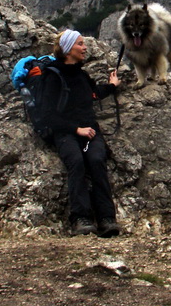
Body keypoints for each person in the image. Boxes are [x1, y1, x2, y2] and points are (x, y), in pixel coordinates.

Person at [43, 29, 122, 237]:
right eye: (80, 44)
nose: (84, 47)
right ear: (68, 49)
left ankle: (107, 218)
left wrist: (111, 86)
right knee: (76, 162)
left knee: (97, 160)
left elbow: (94, 94)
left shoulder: (82, 74)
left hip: (89, 130)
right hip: (66, 133)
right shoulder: (52, 75)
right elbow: (47, 114)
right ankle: (81, 218)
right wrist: (75, 129)